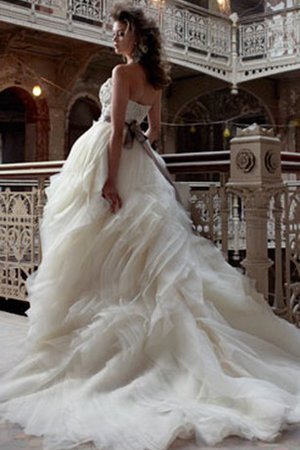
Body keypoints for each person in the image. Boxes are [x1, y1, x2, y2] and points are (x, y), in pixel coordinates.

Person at [0, 3, 300, 450]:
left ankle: (104, 353)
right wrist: (137, 146)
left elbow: (117, 124)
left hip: (110, 158)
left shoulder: (122, 76)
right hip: (141, 162)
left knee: (96, 249)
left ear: (135, 37)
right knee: (138, 257)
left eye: (119, 32)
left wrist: (108, 179)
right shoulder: (156, 81)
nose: (113, 38)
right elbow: (151, 130)